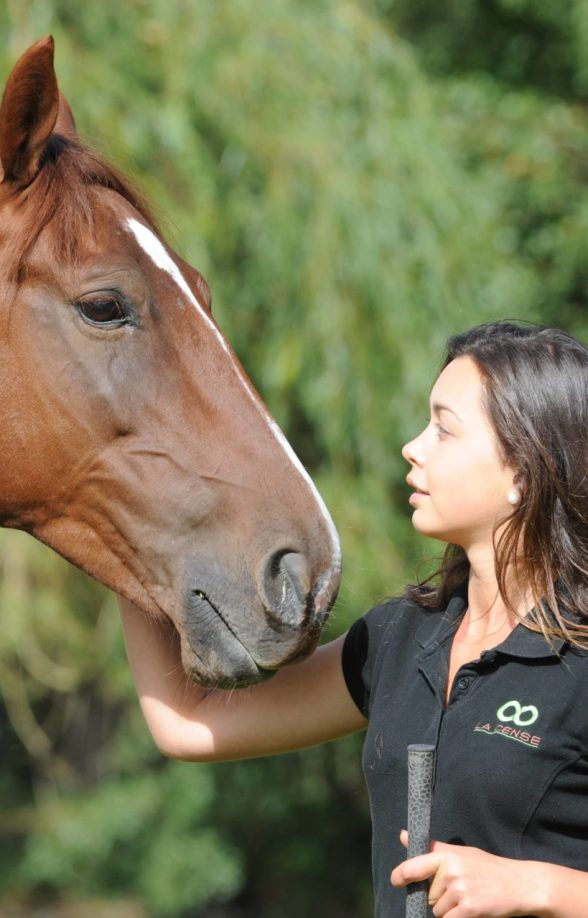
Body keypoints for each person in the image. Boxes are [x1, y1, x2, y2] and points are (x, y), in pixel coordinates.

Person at [119, 321, 588, 917]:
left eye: (444, 430)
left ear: (522, 474)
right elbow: (188, 720)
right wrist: (121, 525)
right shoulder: (398, 637)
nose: (412, 447)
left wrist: (538, 888)